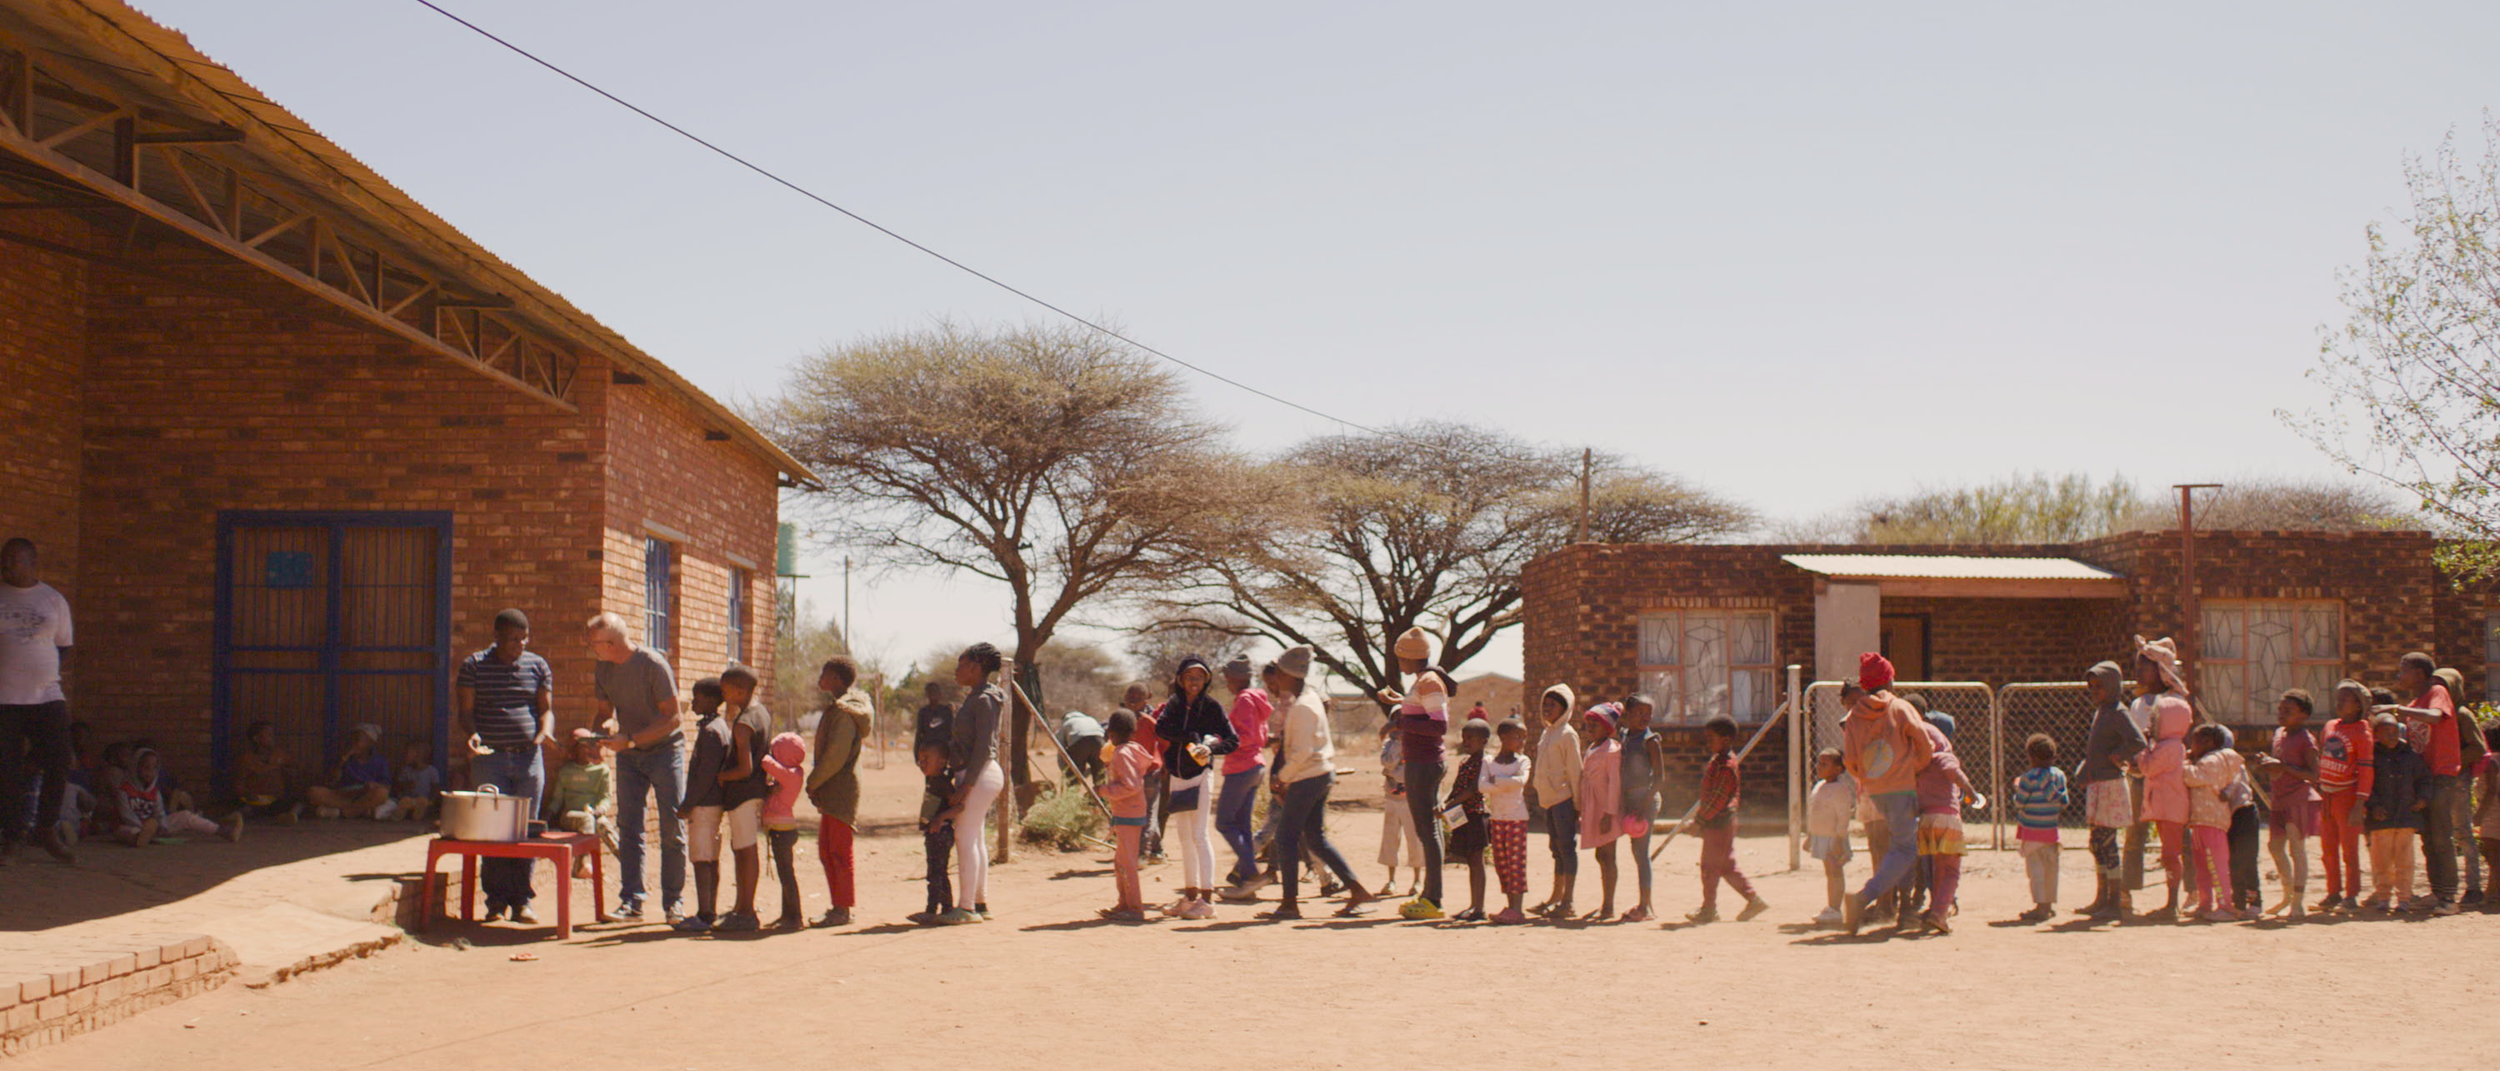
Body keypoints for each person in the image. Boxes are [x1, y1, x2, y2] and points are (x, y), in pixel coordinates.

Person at [453, 608, 554, 922]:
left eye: (524, 638)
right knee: (493, 829)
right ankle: (496, 902)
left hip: (528, 758)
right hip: (490, 758)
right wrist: (472, 734)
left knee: (526, 829)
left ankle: (522, 901)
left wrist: (545, 732)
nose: (520, 644)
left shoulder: (537, 665)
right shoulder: (474, 666)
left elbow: (545, 710)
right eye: (513, 639)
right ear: (496, 637)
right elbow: (465, 711)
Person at [1261, 647, 1372, 920]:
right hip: (1319, 774)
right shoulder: (1308, 698)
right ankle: (1357, 890)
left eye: (1279, 673)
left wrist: (1281, 778)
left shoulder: (1302, 707)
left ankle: (1289, 903)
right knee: (1315, 838)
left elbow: (1301, 753)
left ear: (1288, 675)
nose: (1276, 678)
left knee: (1286, 838)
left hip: (1307, 777)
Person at [589, 613, 686, 923]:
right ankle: (632, 901)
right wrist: (597, 737)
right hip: (629, 754)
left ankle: (674, 902)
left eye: (595, 644)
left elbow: (673, 718)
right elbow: (604, 712)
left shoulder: (653, 665)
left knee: (672, 826)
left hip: (665, 751)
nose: (592, 649)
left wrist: (630, 740)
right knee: (629, 827)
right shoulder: (603, 668)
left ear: (612, 643)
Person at [1840, 653, 1935, 935]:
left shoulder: (1855, 715)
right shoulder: (1900, 707)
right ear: (1890, 680)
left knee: (1898, 848)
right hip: (1903, 787)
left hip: (1876, 790)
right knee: (1906, 850)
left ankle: (1899, 909)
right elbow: (1924, 743)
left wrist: (1869, 779)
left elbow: (1850, 760)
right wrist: (1915, 767)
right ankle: (1863, 899)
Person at [0, 538, 77, 863]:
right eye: (3, 559)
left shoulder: (53, 600)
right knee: (6, 770)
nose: (5, 564)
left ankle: (46, 827)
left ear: (32, 563)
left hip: (47, 695)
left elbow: (63, 646)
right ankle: (11, 837)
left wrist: (37, 670)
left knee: (59, 758)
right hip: (5, 699)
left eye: (12, 559)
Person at [1375, 626, 1452, 920]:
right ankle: (1431, 894)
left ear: (1409, 657)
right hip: (1421, 762)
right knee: (1428, 830)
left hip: (1424, 763)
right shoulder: (1424, 681)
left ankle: (1434, 899)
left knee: (1427, 831)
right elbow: (1422, 710)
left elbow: (1439, 725)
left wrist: (1400, 724)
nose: (1398, 663)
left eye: (1400, 658)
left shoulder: (1429, 682)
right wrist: (1400, 702)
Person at [1154, 654, 1237, 920]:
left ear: (1206, 681)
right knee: (1184, 837)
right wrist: (1189, 738)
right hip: (1177, 775)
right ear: (1180, 679)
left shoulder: (1212, 707)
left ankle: (1207, 901)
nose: (1194, 682)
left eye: (1200, 677)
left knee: (1200, 835)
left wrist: (1210, 748)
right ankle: (1189, 898)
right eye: (1189, 677)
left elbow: (1232, 740)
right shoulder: (1175, 704)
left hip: (1200, 775)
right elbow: (1161, 728)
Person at [2381, 652, 2466, 913]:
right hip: (2423, 778)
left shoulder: (2437, 692)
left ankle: (2448, 897)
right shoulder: (2415, 702)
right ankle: (2437, 892)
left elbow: (2436, 716)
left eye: (2403, 670)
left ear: (2419, 673)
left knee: (2441, 836)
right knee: (2428, 838)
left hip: (2441, 774)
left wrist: (2399, 710)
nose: (2399, 675)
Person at [941, 644, 1009, 925]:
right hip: (978, 775)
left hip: (978, 775)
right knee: (975, 838)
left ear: (976, 666)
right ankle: (979, 903)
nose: (956, 670)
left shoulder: (984, 700)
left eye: (961, 664)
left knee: (965, 839)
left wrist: (966, 786)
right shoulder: (980, 697)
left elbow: (984, 747)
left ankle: (967, 907)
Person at [2129, 637, 2195, 921]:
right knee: (2135, 833)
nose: (2138, 672)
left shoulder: (2174, 703)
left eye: (2144, 667)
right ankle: (2127, 892)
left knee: (2179, 839)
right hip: (2141, 775)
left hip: (2169, 779)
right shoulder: (2137, 704)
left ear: (2161, 670)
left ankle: (2191, 890)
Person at [2074, 661, 2145, 919]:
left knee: (2106, 842)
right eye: (2091, 686)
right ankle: (2102, 897)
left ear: (2112, 686)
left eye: (2100, 686)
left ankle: (2114, 901)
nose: (2094, 691)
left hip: (2110, 786)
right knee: (2097, 843)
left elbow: (2138, 741)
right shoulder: (2103, 711)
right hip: (2098, 783)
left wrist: (2119, 755)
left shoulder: (2117, 712)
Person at [807, 656, 873, 928]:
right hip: (832, 787)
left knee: (838, 852)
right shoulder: (841, 707)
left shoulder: (845, 712)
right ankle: (838, 905)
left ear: (835, 678)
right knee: (827, 850)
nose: (820, 678)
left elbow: (836, 755)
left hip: (841, 788)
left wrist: (813, 781)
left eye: (824, 673)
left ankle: (843, 909)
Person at [1685, 715, 1766, 924]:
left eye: (1712, 738)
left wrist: (1700, 821)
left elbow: (1718, 799)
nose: (1708, 742)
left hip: (1719, 823)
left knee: (1710, 867)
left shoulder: (1726, 767)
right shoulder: (1718, 761)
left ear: (1726, 739)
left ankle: (1709, 909)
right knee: (1726, 866)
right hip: (1718, 822)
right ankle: (1752, 899)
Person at [709, 665, 773, 932]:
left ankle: (746, 912)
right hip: (754, 792)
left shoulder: (745, 722)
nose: (723, 695)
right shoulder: (762, 713)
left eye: (726, 690)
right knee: (743, 850)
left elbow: (745, 768)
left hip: (743, 794)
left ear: (740, 690)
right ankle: (740, 907)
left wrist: (722, 776)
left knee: (745, 852)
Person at [1910, 712, 1983, 934]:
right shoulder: (1943, 756)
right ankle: (1939, 914)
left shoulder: (1919, 765)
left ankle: (1935, 907)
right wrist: (1971, 792)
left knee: (1937, 868)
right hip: (1947, 820)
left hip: (1926, 820)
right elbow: (1954, 773)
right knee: (1951, 870)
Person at [2252, 690, 2322, 920]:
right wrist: (2267, 763)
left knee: (2296, 849)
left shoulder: (2306, 740)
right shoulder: (2279, 734)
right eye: (2280, 709)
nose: (2281, 714)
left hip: (2298, 799)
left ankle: (2298, 902)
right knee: (2274, 846)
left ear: (2303, 715)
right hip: (2279, 799)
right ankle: (2287, 895)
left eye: (2288, 711)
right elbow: (2279, 763)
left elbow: (2313, 774)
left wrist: (2282, 767)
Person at [674, 678, 733, 933]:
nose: (693, 702)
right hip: (711, 803)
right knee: (709, 858)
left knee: (701, 859)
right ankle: (708, 910)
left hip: (705, 805)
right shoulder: (717, 726)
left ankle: (705, 913)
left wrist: (688, 803)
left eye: (697, 697)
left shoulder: (711, 731)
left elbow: (705, 775)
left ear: (710, 700)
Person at [2315, 679, 2375, 913]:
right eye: (2338, 698)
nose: (2339, 703)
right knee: (2328, 848)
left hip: (2347, 796)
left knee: (2349, 849)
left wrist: (2359, 804)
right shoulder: (2330, 726)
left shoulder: (2362, 733)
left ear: (2358, 705)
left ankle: (2351, 894)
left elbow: (2366, 770)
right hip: (2327, 795)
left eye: (2345, 699)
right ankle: (2333, 892)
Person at [1215, 653, 1272, 894]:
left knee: (1223, 822)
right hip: (1255, 765)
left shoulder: (1244, 701)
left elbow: (1244, 736)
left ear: (1238, 679)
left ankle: (1251, 872)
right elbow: (1260, 735)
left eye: (1228, 678)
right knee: (1242, 825)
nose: (1227, 683)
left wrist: (1219, 742)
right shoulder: (1256, 699)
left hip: (1241, 767)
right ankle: (1248, 882)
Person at [2363, 712, 2431, 912]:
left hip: (2405, 815)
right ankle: (2383, 897)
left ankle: (2404, 898)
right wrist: (2374, 805)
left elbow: (2424, 779)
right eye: (2386, 732)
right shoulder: (2371, 756)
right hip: (2381, 818)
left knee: (2405, 860)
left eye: (2394, 731)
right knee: (2381, 860)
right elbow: (2365, 783)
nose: (2391, 736)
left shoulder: (2410, 755)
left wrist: (2422, 798)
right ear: (2376, 734)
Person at [1528, 683, 1582, 919]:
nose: (1547, 709)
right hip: (1549, 801)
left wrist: (1578, 805)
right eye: (1545, 704)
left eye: (1553, 705)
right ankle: (1555, 898)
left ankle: (1568, 901)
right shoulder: (1547, 733)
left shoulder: (1568, 735)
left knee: (1567, 849)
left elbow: (1575, 772)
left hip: (1564, 800)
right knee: (1556, 849)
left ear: (1565, 708)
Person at [111, 747, 240, 845]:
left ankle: (223, 832)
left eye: (154, 768)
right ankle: (139, 839)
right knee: (125, 831)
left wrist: (162, 827)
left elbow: (159, 813)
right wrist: (142, 828)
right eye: (145, 768)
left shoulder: (155, 792)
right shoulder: (125, 790)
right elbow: (127, 815)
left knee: (185, 816)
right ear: (135, 768)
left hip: (153, 827)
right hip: (131, 825)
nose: (149, 772)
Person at [2183, 724, 2246, 922]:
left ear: (2208, 742)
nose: (2192, 746)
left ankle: (2225, 906)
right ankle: (2205, 904)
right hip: (2201, 821)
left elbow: (2191, 777)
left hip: (2212, 822)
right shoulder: (2215, 759)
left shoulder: (2212, 761)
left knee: (2216, 867)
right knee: (2201, 866)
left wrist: (2185, 761)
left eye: (2195, 742)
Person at [1100, 710, 1155, 921]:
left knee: (1128, 863)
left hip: (1128, 813)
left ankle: (1134, 908)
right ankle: (1124, 904)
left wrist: (1104, 790)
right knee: (1121, 862)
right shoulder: (1132, 751)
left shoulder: (1122, 754)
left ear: (1111, 733)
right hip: (1127, 811)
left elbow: (1130, 785)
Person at [1617, 694, 1666, 923]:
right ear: (1627, 714)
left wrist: (1643, 805)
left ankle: (1646, 906)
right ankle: (1644, 903)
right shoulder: (1625, 736)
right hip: (1630, 800)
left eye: (1648, 713)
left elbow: (1660, 778)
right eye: (1639, 713)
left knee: (1641, 853)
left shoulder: (1650, 741)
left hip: (1644, 800)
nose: (1644, 717)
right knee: (1637, 852)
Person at [2011, 734, 2069, 922]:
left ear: (2031, 757)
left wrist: (2017, 790)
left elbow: (2020, 803)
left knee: (2036, 872)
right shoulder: (2059, 776)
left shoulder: (2027, 778)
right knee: (2051, 870)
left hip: (2032, 832)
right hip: (2051, 832)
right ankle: (2049, 905)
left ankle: (2040, 907)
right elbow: (2064, 802)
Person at [1481, 718, 1534, 925]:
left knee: (1516, 864)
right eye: (1517, 737)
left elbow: (1521, 782)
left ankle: (1517, 909)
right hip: (1497, 818)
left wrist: (1497, 781)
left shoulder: (1523, 761)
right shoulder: (1488, 761)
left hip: (1516, 818)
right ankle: (1510, 906)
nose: (1522, 741)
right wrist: (1507, 783)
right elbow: (1482, 786)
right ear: (1503, 737)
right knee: (1502, 863)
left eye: (1524, 737)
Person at [1576, 703, 1624, 921]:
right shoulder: (1593, 747)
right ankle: (1605, 901)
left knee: (1608, 855)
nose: (1590, 727)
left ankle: (1609, 905)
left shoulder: (1612, 750)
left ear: (1608, 727)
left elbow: (1614, 783)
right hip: (1592, 805)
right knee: (1600, 855)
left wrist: (1609, 813)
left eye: (1596, 724)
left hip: (1604, 806)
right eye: (1588, 723)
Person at [1444, 717, 1494, 922]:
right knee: (1471, 861)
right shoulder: (1465, 761)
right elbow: (1457, 787)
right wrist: (1445, 802)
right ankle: (1473, 905)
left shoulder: (1485, 762)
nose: (1466, 742)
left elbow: (1474, 789)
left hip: (1476, 815)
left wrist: (1451, 803)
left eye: (1471, 738)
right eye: (1464, 738)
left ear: (1484, 741)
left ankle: (1479, 907)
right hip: (1461, 814)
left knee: (1477, 861)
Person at [548, 728, 616, 879]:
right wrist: (549, 816)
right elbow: (557, 799)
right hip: (570, 816)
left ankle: (627, 863)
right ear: (575, 749)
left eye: (590, 746)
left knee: (603, 824)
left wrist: (600, 810)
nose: (587, 750)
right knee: (587, 819)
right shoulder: (567, 770)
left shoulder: (601, 770)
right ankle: (580, 866)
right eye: (583, 747)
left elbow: (606, 797)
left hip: (593, 814)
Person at [1113, 682, 1168, 863]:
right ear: (1124, 698)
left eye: (1138, 698)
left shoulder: (1148, 722)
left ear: (1147, 699)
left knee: (1147, 814)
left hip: (1150, 773)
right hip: (1130, 774)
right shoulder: (1122, 721)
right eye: (1130, 697)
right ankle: (1156, 852)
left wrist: (1165, 766)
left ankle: (1142, 853)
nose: (1133, 701)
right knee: (1145, 812)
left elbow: (1165, 743)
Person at [760, 731, 808, 930]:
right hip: (780, 829)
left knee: (787, 874)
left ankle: (795, 917)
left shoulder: (790, 775)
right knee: (784, 873)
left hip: (782, 830)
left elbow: (766, 763)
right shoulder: (791, 774)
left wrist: (762, 751)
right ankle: (787, 914)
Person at [910, 737, 957, 926]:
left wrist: (941, 817)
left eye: (926, 759)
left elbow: (959, 806)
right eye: (920, 760)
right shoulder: (933, 779)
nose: (921, 763)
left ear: (942, 762)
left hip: (941, 834)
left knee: (937, 873)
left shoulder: (943, 783)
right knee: (937, 872)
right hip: (932, 834)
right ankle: (945, 909)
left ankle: (934, 910)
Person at [1805, 748, 1854, 926]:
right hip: (1821, 835)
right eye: (1819, 763)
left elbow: (1843, 816)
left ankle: (1835, 909)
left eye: (1825, 764)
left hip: (1834, 838)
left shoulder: (1840, 789)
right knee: (1829, 872)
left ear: (1838, 769)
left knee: (1835, 872)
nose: (1819, 767)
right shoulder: (1819, 786)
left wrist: (1840, 840)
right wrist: (1811, 836)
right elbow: (1814, 813)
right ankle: (1831, 906)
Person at [1375, 721, 1421, 897]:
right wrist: (1398, 744)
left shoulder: (1416, 743)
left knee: (1414, 838)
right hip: (1392, 796)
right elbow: (1388, 763)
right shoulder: (1389, 744)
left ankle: (1417, 880)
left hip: (1411, 796)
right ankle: (1391, 880)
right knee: (1390, 838)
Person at [307, 723, 392, 819]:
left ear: (370, 743)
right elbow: (331, 781)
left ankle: (340, 812)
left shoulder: (379, 761)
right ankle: (357, 811)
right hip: (344, 795)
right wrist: (344, 759)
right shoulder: (343, 757)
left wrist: (374, 785)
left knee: (382, 794)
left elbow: (387, 786)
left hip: (364, 795)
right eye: (354, 739)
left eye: (360, 740)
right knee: (313, 792)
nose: (355, 743)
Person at [230, 720, 302, 824]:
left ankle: (291, 815)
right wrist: (248, 794)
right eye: (268, 735)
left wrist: (291, 773)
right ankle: (236, 816)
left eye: (272, 735)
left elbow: (295, 769)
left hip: (277, 800)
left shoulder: (279, 754)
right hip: (257, 802)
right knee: (247, 808)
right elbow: (238, 785)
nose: (272, 738)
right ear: (256, 739)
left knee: (300, 801)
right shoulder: (246, 760)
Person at [2475, 724, 2500, 912]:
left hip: (2492, 813)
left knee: (2493, 855)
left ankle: (2496, 892)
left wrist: (2479, 815)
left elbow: (2491, 790)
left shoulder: (2491, 761)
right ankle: (2491, 891)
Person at [391, 740, 441, 823]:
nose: (405, 756)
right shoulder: (406, 770)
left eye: (408, 753)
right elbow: (398, 786)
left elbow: (435, 788)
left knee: (423, 801)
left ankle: (417, 816)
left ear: (418, 755)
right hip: (409, 799)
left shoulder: (432, 771)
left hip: (423, 799)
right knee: (405, 801)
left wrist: (432, 801)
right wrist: (406, 785)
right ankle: (397, 817)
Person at [1057, 709, 1106, 786]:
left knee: (1073, 776)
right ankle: (1101, 791)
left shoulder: (1066, 723)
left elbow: (1060, 749)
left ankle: (1073, 791)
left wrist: (1065, 770)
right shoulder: (1091, 719)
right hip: (1099, 741)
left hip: (1079, 742)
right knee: (1099, 772)